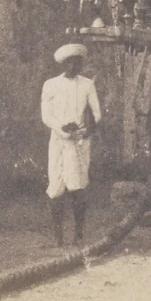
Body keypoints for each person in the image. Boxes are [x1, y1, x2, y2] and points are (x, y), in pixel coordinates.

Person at [41, 43, 102, 247]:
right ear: (63, 64)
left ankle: (78, 234)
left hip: (78, 142)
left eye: (77, 63)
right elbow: (46, 115)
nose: (73, 67)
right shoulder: (50, 85)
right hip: (59, 142)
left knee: (77, 186)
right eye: (69, 63)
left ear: (81, 65)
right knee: (56, 187)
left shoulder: (87, 85)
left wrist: (84, 130)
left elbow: (96, 114)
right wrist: (61, 128)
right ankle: (58, 237)